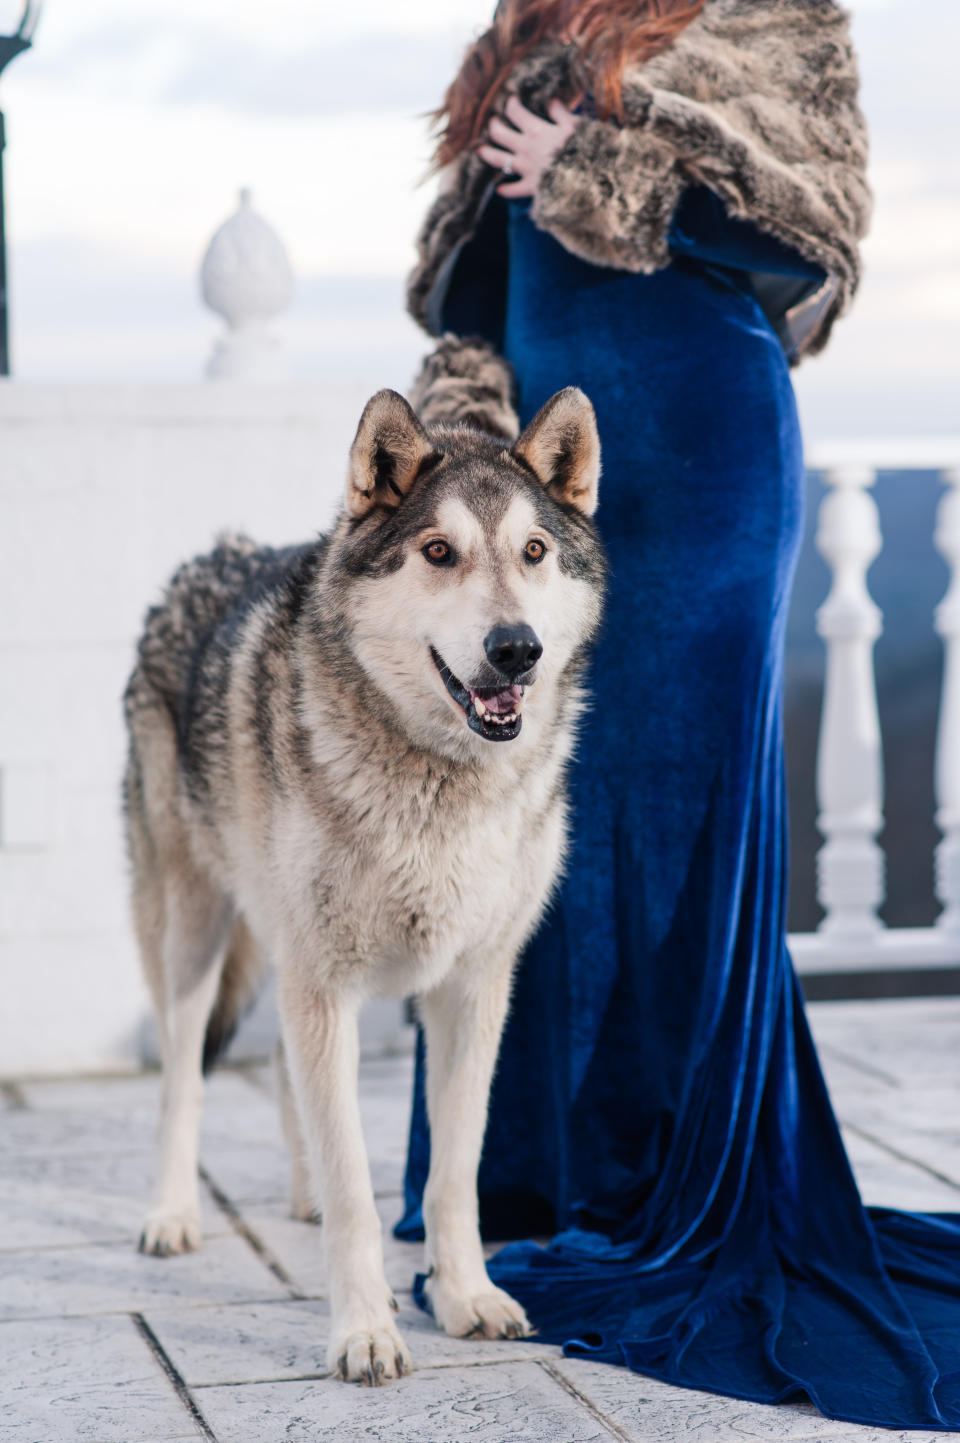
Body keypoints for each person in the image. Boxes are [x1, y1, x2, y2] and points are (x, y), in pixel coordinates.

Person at [398, 1, 960, 1430]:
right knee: (530, 807)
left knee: (674, 791)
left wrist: (595, 169)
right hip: (537, 480)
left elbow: (806, 252)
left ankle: (659, 1177)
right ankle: (521, 1176)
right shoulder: (522, 34)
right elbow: (471, 300)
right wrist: (460, 459)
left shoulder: (780, 18)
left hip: (707, 452)